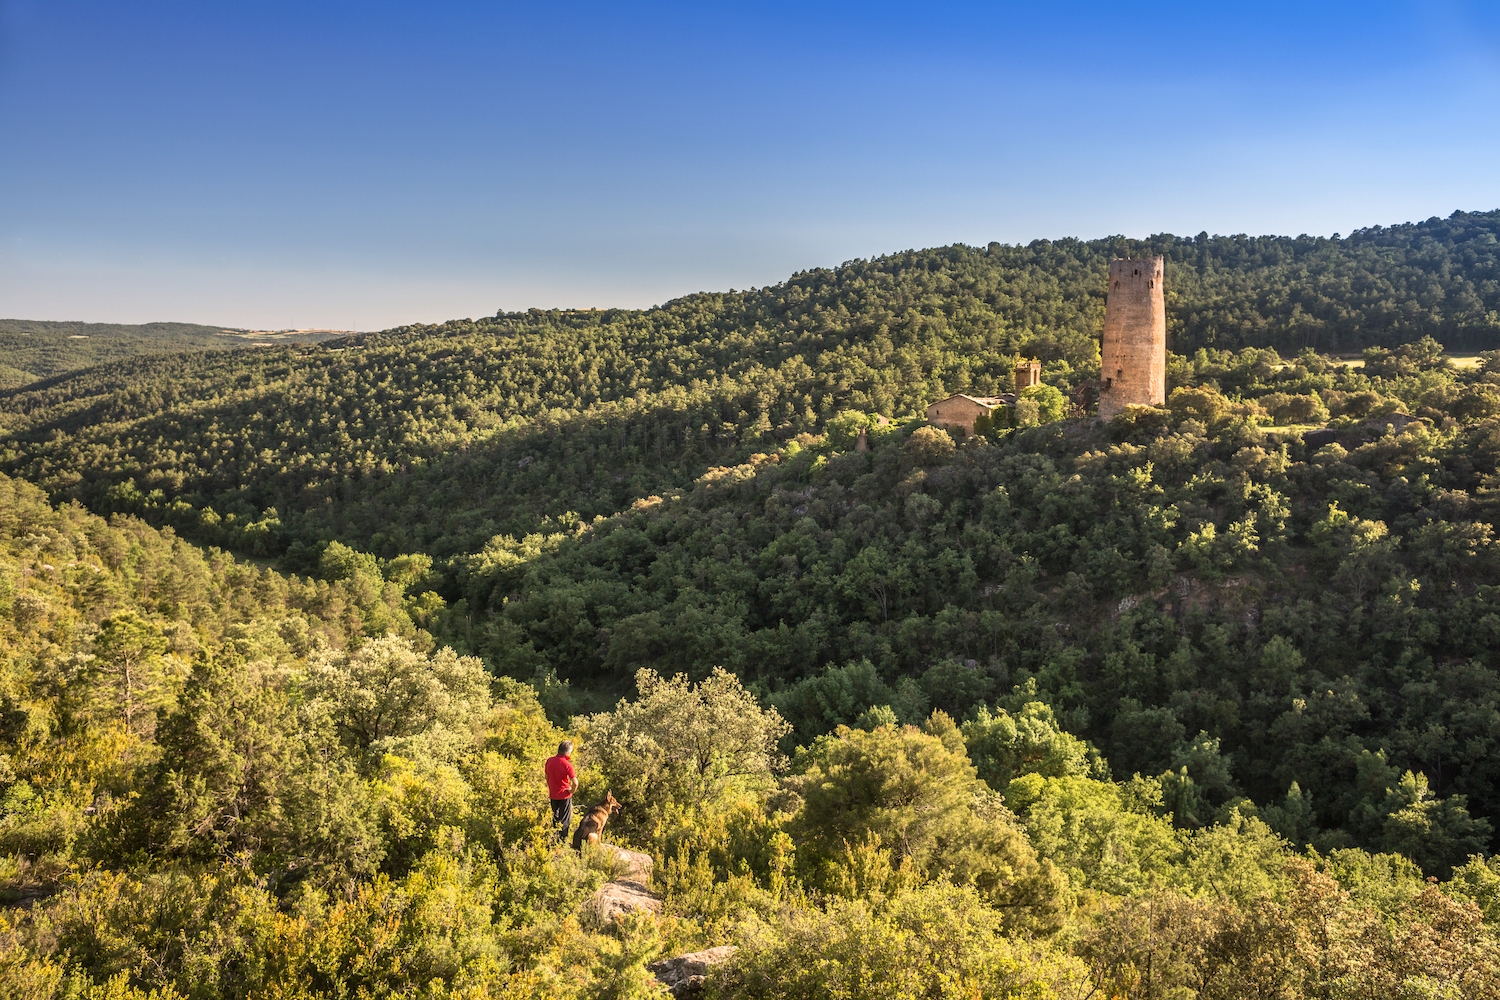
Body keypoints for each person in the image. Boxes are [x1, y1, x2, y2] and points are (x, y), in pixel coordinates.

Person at [544, 740, 578, 843]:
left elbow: (546, 776)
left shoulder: (549, 760)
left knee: (556, 818)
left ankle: (554, 840)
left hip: (553, 794)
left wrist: (552, 786)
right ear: (568, 752)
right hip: (564, 796)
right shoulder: (567, 764)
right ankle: (562, 842)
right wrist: (571, 791)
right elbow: (575, 782)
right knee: (565, 821)